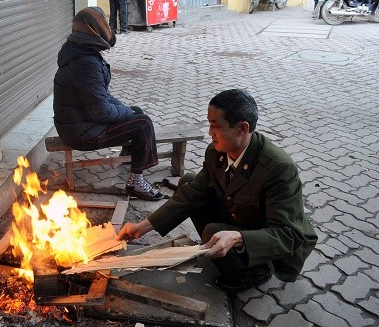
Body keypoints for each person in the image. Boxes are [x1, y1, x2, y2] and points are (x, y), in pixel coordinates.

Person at [117, 89, 318, 293]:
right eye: (209, 124)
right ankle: (218, 244)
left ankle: (254, 272)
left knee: (213, 231)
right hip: (241, 216)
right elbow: (192, 193)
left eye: (215, 126)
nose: (210, 133)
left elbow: (289, 236)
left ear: (242, 129)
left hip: (267, 243)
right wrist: (143, 226)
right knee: (188, 181)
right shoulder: (216, 153)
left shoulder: (278, 168)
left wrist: (238, 238)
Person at [53, 6, 163, 200]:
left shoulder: (78, 52)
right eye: (104, 24)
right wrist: (127, 113)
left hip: (75, 125)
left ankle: (131, 154)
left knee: (136, 111)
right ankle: (136, 181)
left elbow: (102, 96)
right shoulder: (86, 63)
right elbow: (101, 112)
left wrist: (127, 110)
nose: (109, 28)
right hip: (81, 134)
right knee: (143, 123)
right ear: (95, 30)